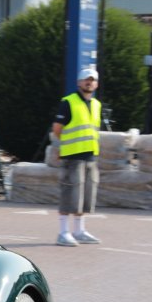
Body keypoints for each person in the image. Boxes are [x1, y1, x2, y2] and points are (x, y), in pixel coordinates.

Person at [53, 65, 102, 246]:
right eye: (86, 80)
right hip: (72, 155)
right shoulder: (68, 102)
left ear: (96, 84)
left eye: (92, 80)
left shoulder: (96, 105)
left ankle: (79, 231)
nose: (89, 82)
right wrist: (66, 145)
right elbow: (57, 129)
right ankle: (63, 232)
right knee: (69, 192)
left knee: (85, 195)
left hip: (90, 156)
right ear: (79, 83)